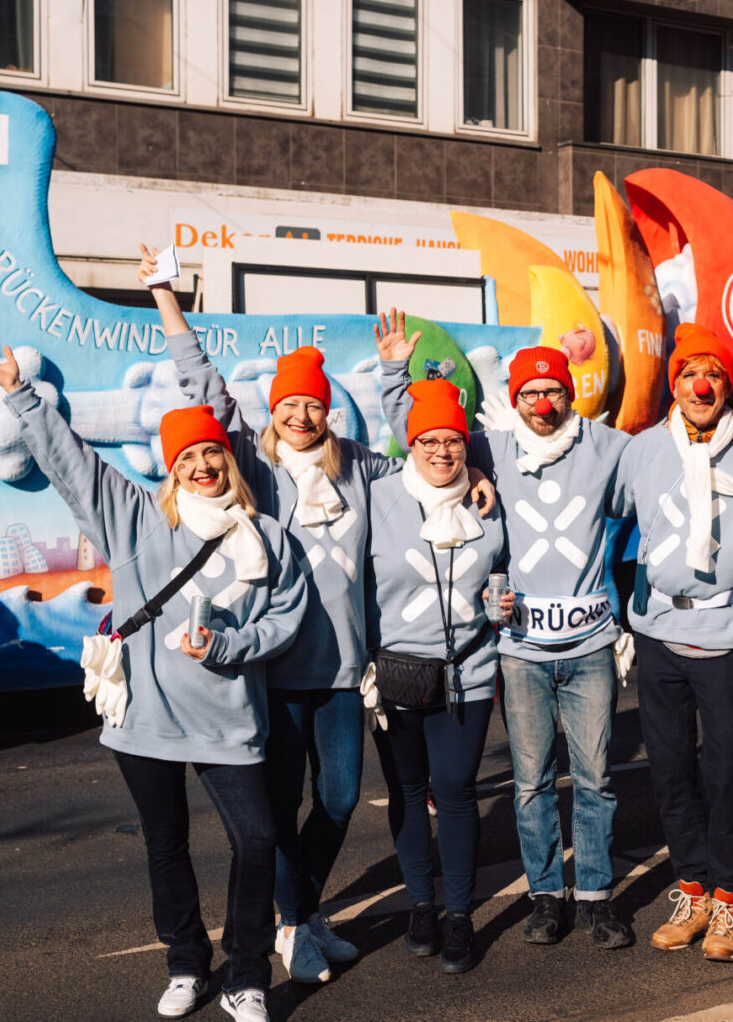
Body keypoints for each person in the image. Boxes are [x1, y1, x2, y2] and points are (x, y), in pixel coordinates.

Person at [142, 250, 489, 986]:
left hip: (341, 672)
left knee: (335, 801)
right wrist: (165, 294)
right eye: (289, 404)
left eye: (314, 404)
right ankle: (298, 924)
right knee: (277, 806)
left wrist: (468, 459)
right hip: (269, 669)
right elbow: (200, 382)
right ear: (273, 409)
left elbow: (430, 455)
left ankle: (298, 915)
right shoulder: (255, 469)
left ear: (328, 410)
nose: (301, 415)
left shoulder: (359, 467)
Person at [0, 344, 308, 1022]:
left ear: (228, 462)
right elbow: (73, 465)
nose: (203, 466)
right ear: (173, 472)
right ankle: (185, 963)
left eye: (212, 454)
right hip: (144, 721)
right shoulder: (136, 521)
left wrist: (229, 645)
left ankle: (244, 976)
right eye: (187, 459)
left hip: (228, 722)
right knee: (165, 842)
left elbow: (284, 621)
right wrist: (22, 395)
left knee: (257, 839)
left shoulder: (268, 538)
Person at [379, 320, 634, 949]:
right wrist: (393, 373)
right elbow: (422, 428)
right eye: (530, 393)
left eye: (554, 392)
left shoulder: (606, 446)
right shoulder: (488, 449)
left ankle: (597, 895)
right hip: (518, 651)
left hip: (591, 646)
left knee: (597, 778)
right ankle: (546, 895)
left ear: (571, 396)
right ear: (514, 399)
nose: (542, 404)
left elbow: (664, 465)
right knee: (530, 783)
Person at [609, 323, 733, 963]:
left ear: (729, 384)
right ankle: (692, 892)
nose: (700, 386)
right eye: (688, 374)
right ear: (673, 384)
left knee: (727, 775)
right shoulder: (644, 450)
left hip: (726, 638)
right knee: (670, 774)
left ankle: (730, 900)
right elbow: (604, 514)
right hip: (658, 635)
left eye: (712, 374)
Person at [365, 377, 509, 976]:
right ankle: (419, 906)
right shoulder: (378, 498)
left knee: (453, 790)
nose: (442, 452)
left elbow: (505, 571)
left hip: (467, 671)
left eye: (453, 441)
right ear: (410, 444)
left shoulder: (487, 502)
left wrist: (505, 600)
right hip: (396, 672)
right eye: (428, 441)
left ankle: (458, 916)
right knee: (405, 790)